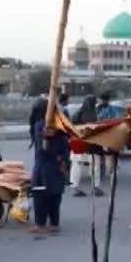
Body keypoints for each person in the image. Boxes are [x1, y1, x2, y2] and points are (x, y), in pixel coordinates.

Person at [29, 99, 67, 235]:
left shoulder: (41, 125)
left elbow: (42, 149)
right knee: (55, 195)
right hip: (58, 165)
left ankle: (40, 225)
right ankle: (54, 223)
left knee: (40, 195)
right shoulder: (60, 124)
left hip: (44, 166)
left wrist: (47, 141)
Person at [70, 95, 100, 197]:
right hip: (89, 143)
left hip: (77, 142)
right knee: (95, 164)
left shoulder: (78, 112)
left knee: (76, 164)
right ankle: (95, 187)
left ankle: (75, 187)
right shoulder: (91, 114)